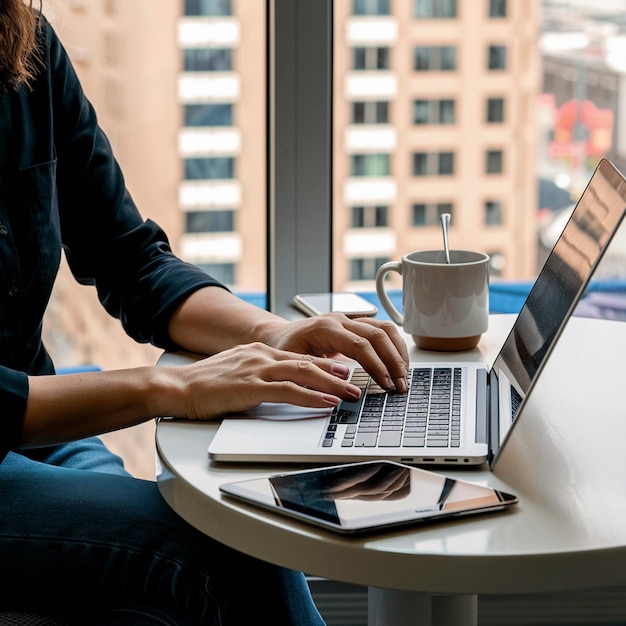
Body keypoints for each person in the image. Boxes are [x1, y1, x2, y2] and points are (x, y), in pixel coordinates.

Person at [0, 2, 409, 624]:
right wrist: (175, 386)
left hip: (43, 437)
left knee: (175, 575)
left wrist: (275, 334)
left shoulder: (25, 43)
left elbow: (130, 260)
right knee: (226, 554)